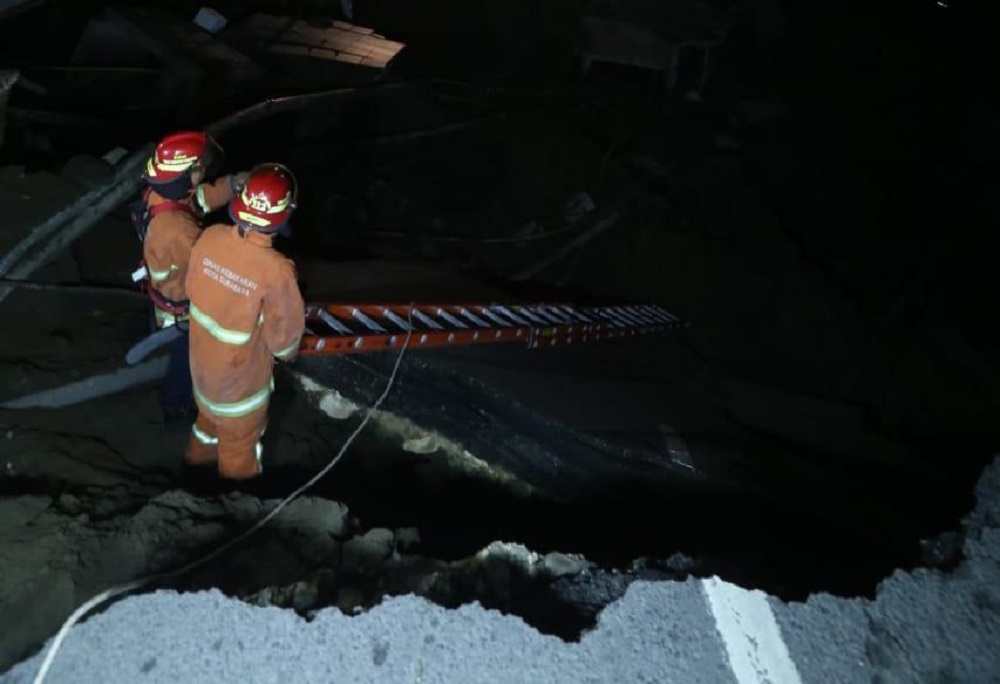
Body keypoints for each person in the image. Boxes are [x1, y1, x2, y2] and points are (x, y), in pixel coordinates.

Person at [184, 163, 305, 480]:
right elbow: (284, 344)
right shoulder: (276, 270)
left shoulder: (209, 238)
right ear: (285, 213)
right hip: (240, 397)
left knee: (207, 429)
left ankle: (192, 478)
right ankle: (234, 504)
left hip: (204, 381)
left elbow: (191, 290)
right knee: (239, 455)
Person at [136, 131, 249, 431]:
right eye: (199, 168)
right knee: (186, 363)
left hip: (165, 286)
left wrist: (231, 185)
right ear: (183, 175)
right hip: (182, 310)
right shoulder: (178, 230)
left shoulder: (161, 193)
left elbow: (196, 200)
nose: (203, 172)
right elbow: (213, 267)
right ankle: (175, 410)